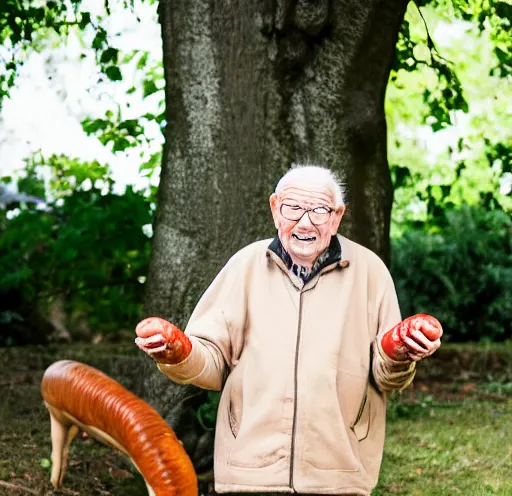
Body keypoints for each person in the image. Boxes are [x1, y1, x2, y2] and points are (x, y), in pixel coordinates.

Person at [135, 165, 441, 496]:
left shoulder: (370, 272)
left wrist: (400, 353)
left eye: (319, 210)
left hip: (340, 472)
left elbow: (385, 377)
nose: (305, 222)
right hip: (249, 470)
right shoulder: (245, 265)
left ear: (337, 216)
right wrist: (178, 352)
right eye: (292, 208)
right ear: (274, 209)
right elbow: (211, 364)